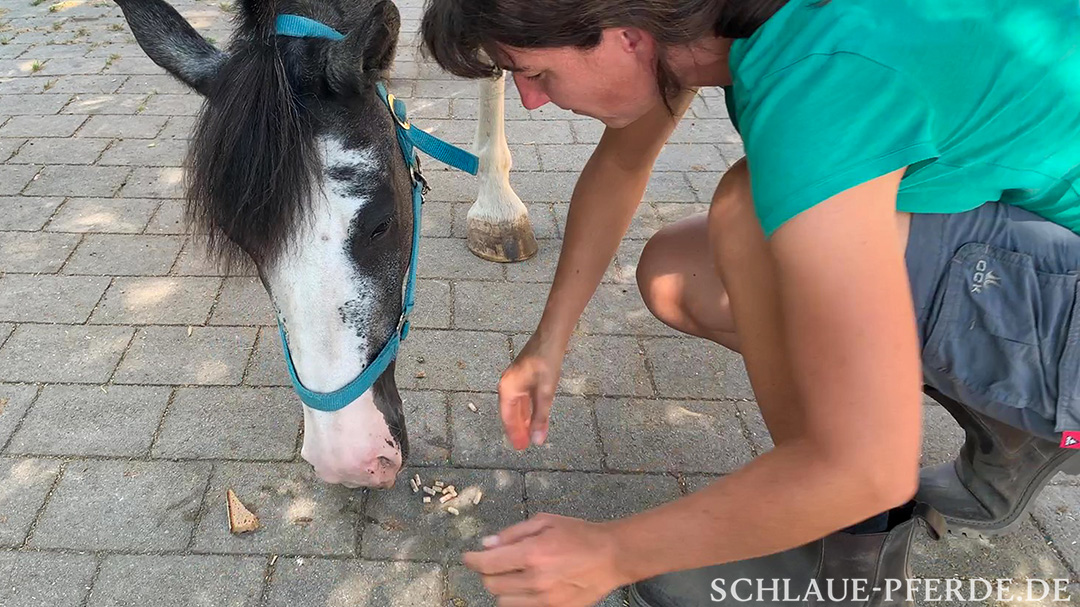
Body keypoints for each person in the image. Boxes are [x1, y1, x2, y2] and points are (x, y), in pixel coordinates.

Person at [419, 0, 1080, 605]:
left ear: (624, 37)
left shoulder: (820, 80)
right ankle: (1017, 430)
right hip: (1043, 258)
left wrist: (613, 551)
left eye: (532, 73)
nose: (531, 102)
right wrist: (548, 341)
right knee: (682, 273)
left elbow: (870, 466)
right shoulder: (696, 24)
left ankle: (848, 554)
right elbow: (623, 163)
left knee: (747, 214)